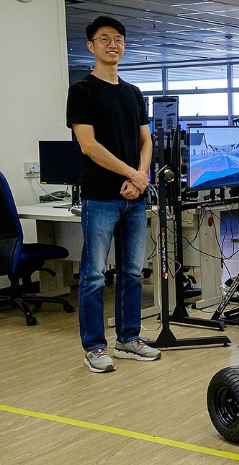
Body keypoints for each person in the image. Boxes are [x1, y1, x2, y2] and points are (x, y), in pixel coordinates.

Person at [67, 16, 160, 373]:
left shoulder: (133, 92)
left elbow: (146, 140)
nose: (113, 44)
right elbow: (89, 146)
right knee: (93, 276)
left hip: (134, 197)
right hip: (100, 196)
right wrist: (132, 173)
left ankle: (128, 338)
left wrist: (141, 178)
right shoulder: (82, 91)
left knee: (132, 273)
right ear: (91, 46)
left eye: (118, 38)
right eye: (104, 39)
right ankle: (94, 346)